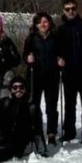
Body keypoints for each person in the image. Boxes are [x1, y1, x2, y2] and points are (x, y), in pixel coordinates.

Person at [56, 0, 82, 144]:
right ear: (63, 11)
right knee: (69, 104)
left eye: (73, 8)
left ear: (77, 9)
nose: (71, 11)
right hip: (69, 73)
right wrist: (58, 58)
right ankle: (69, 132)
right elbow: (57, 49)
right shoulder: (60, 29)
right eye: (67, 9)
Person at [23, 11, 61, 145]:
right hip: (35, 76)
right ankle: (37, 131)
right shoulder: (31, 38)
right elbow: (24, 55)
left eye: (45, 21)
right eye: (40, 22)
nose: (43, 24)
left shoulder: (56, 37)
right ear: (36, 24)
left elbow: (61, 54)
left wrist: (61, 61)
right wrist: (28, 59)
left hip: (52, 76)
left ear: (50, 23)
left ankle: (51, 133)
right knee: (34, 105)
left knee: (51, 106)